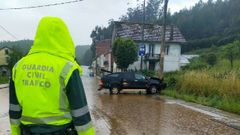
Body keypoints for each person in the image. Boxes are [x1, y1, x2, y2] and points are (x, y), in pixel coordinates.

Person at [9, 16, 95, 135]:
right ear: (64, 37)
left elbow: (14, 111)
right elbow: (81, 115)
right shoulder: (67, 67)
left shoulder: (18, 67)